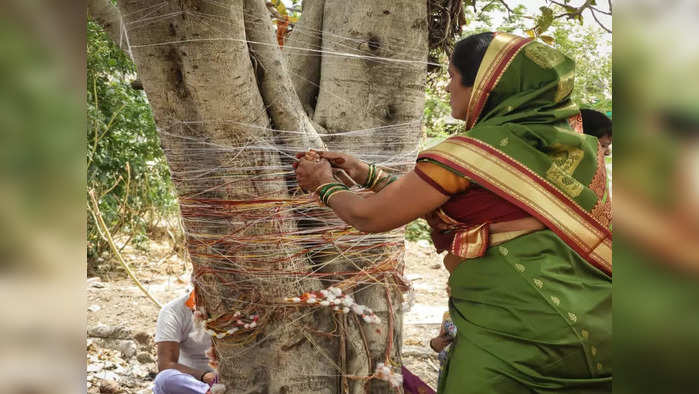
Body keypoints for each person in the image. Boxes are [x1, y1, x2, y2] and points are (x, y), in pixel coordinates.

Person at [295, 32, 612, 393]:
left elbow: (372, 217)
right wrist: (364, 173)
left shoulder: (474, 152)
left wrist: (321, 184)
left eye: (451, 75)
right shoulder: (578, 152)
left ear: (483, 85)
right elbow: (458, 198)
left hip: (514, 335)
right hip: (600, 323)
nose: (447, 87)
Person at [152, 290, 217, 394]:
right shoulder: (173, 311)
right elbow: (166, 364)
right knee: (165, 379)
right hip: (194, 384)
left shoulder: (244, 309)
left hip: (233, 380)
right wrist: (205, 376)